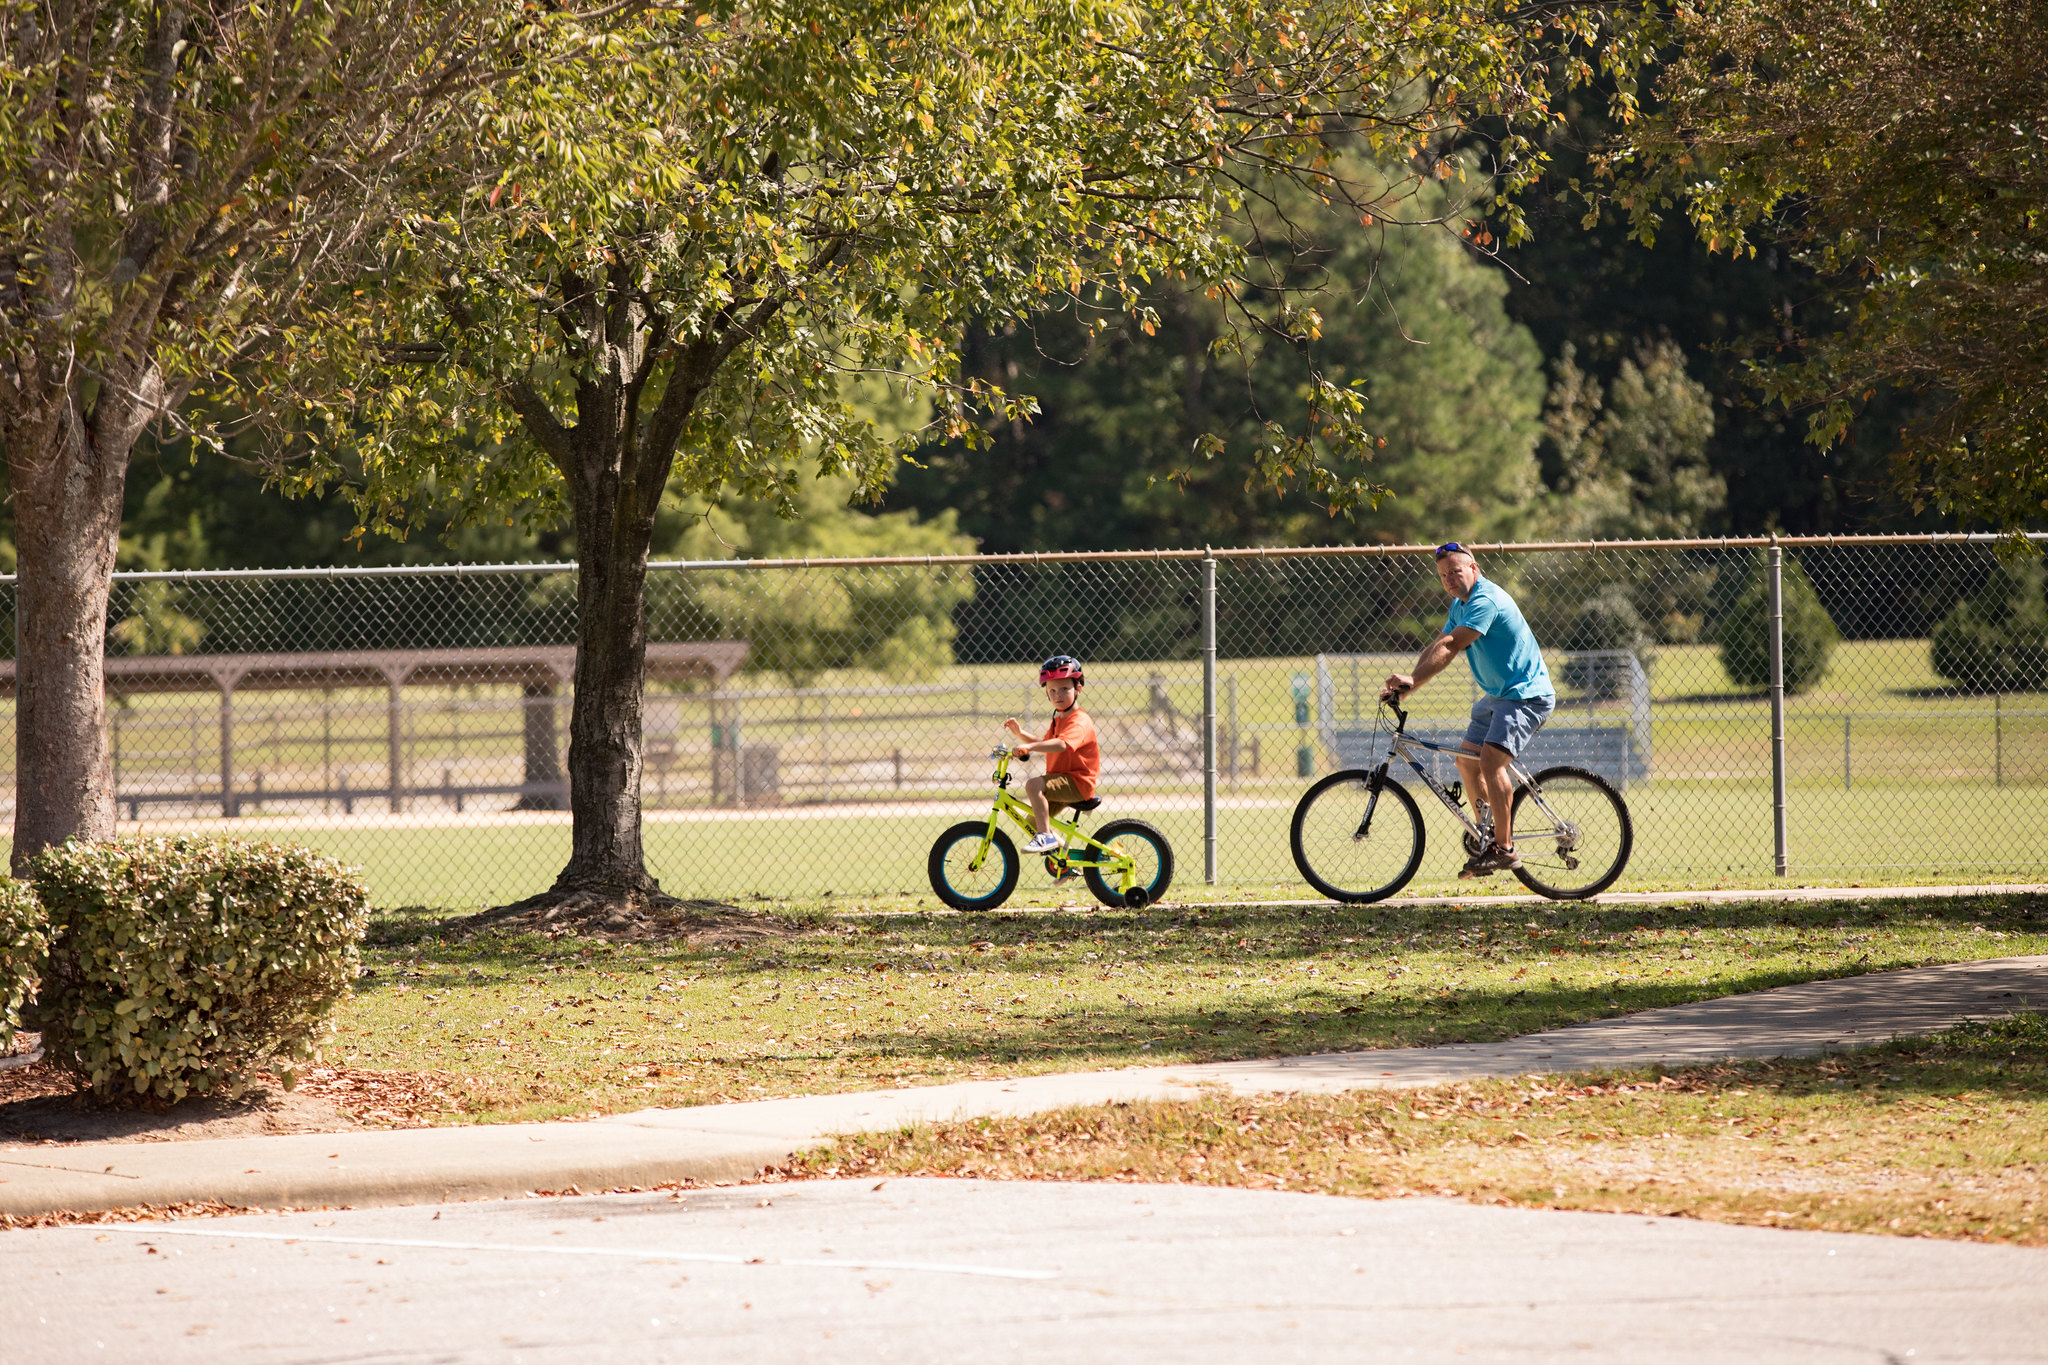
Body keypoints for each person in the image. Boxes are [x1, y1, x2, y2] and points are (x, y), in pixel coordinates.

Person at [1380, 542, 1556, 877]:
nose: (1448, 579)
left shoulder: (1484, 600)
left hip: (1524, 696)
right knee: (1466, 760)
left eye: (1455, 571)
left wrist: (1412, 681)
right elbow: (1439, 643)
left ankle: (1504, 849)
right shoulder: (1459, 605)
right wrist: (1407, 688)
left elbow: (1451, 645)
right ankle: (1487, 837)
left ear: (1473, 568)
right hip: (1497, 697)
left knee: (1491, 762)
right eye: (1443, 574)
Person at [1002, 655, 1101, 855]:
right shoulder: (1059, 720)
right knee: (1032, 820)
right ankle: (1067, 861)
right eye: (1052, 691)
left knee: (1033, 785)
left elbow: (1061, 744)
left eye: (1065, 689)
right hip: (1063, 781)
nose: (1058, 695)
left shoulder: (1079, 720)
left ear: (1078, 689)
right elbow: (1044, 741)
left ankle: (1045, 837)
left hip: (1077, 782)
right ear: (1047, 694)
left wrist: (1028, 749)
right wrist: (1020, 734)